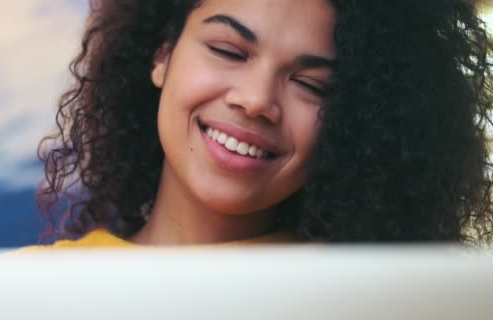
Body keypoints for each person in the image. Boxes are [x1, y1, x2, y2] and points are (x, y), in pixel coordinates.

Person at [30, 0, 493, 248]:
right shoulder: (29, 292)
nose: (256, 101)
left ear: (357, 121)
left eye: (311, 84)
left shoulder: (377, 311)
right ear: (162, 56)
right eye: (229, 52)